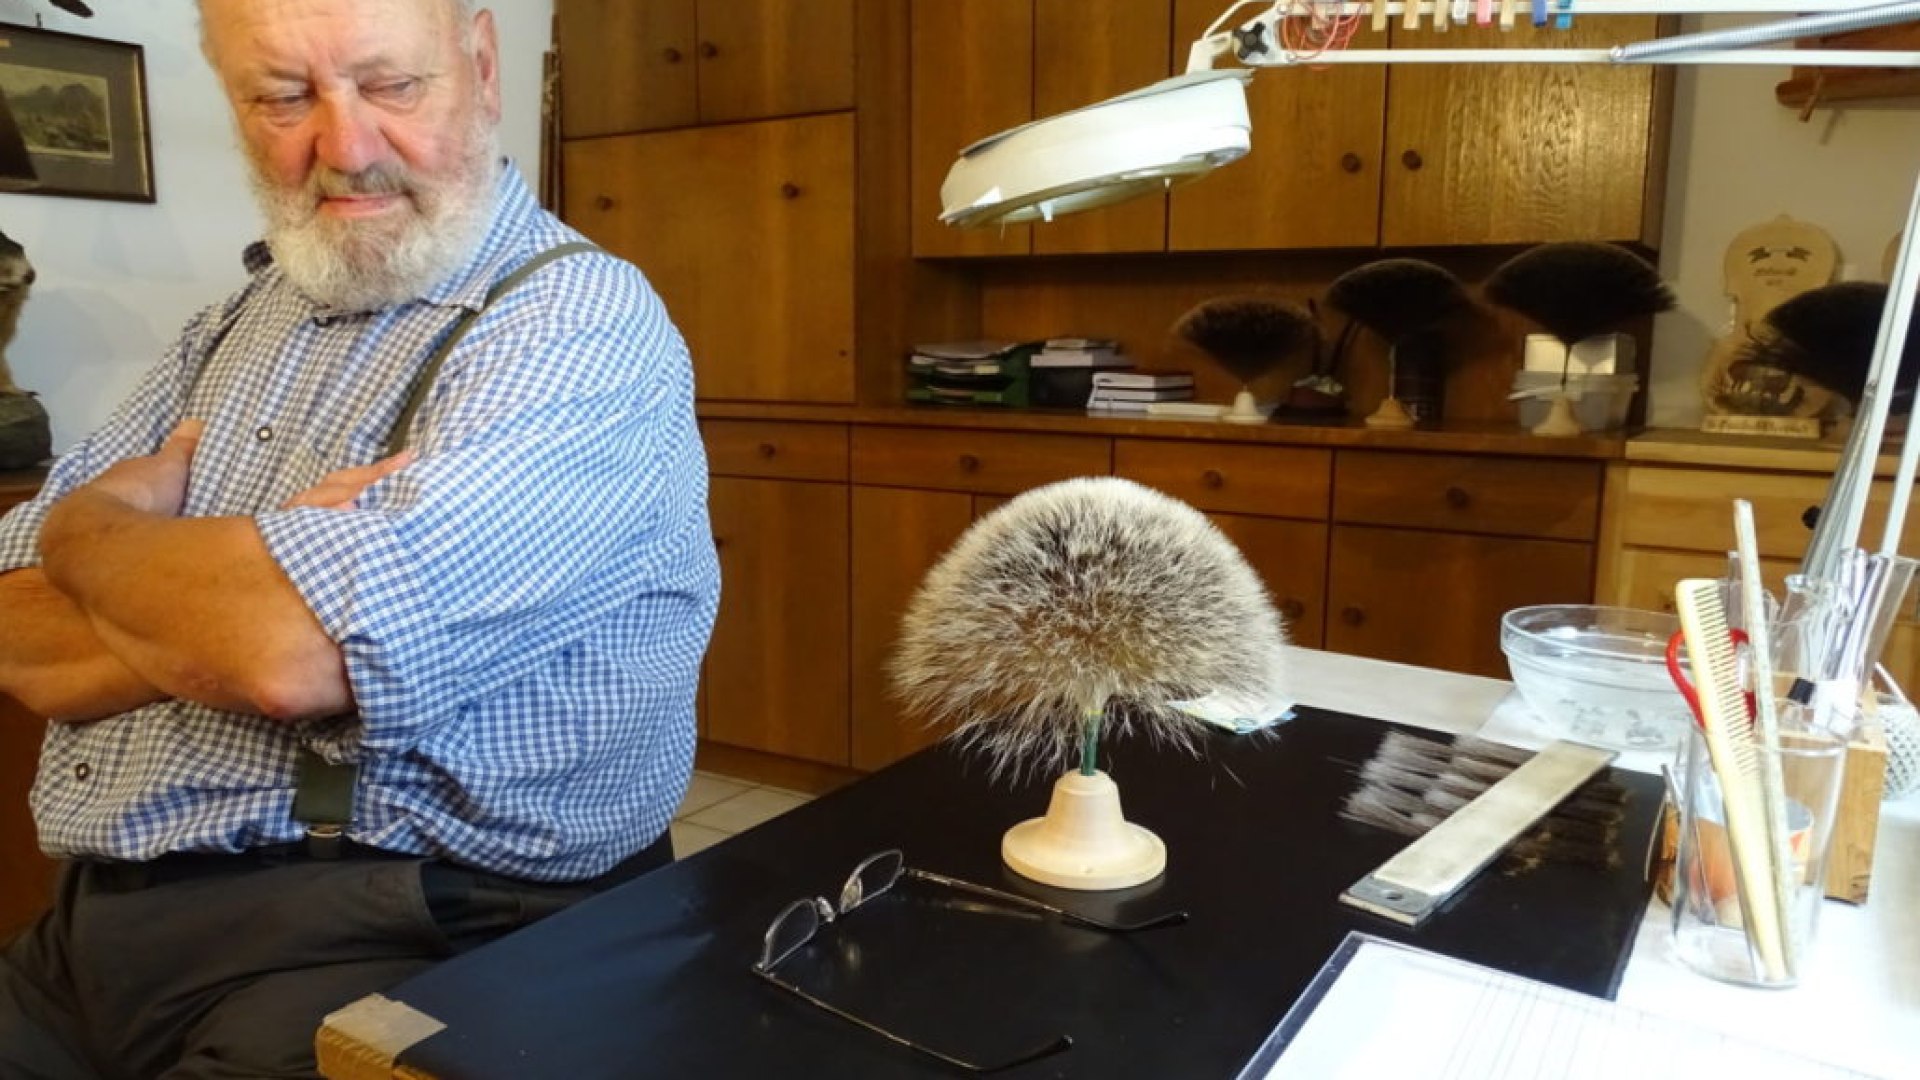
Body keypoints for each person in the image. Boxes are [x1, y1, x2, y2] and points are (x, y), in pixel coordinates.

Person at [0, 0, 718, 1075]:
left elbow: (292, 656)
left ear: (481, 65)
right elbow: (16, 637)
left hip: (400, 934)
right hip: (93, 929)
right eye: (283, 96)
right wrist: (253, 572)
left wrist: (90, 529)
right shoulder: (232, 325)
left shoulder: (577, 323)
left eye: (390, 85)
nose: (344, 147)